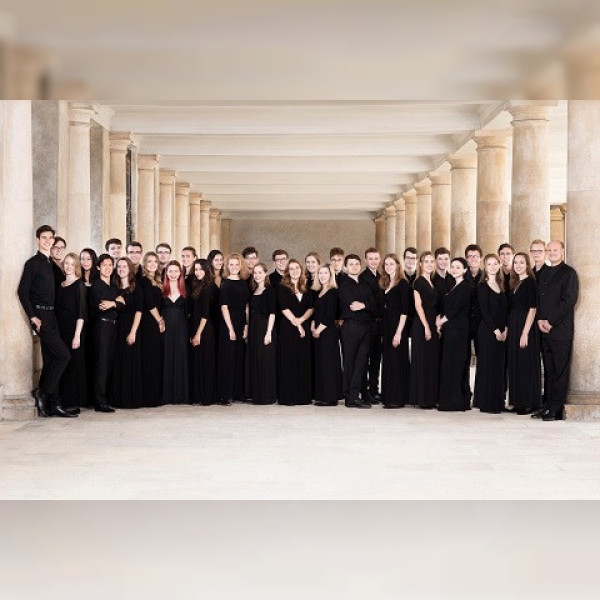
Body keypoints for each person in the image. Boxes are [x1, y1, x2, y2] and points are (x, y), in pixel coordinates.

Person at [18, 225, 72, 418]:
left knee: (51, 360)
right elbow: (22, 292)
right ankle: (43, 392)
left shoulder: (51, 264)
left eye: (51, 238)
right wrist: (33, 316)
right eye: (44, 238)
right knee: (63, 355)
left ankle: (53, 404)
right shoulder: (32, 263)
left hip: (53, 316)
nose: (48, 241)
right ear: (38, 240)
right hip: (41, 316)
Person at [534, 240, 579, 421]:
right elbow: (539, 300)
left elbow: (569, 301)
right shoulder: (544, 273)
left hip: (560, 330)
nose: (552, 252)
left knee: (560, 371)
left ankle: (556, 409)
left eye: (555, 250)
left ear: (562, 251)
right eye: (549, 250)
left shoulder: (569, 273)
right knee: (549, 370)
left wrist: (550, 321)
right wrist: (539, 320)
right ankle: (547, 405)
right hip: (544, 329)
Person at [473, 254, 508, 414]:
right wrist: (496, 331)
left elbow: (506, 310)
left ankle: (498, 401)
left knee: (498, 366)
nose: (492, 266)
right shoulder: (482, 286)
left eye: (495, 263)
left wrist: (505, 329)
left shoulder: (502, 286)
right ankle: (486, 402)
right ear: (484, 267)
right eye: (489, 264)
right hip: (487, 331)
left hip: (502, 332)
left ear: (499, 265)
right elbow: (484, 311)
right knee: (487, 365)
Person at [90, 253, 125, 413]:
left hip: (113, 327)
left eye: (110, 265)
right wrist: (115, 302)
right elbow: (102, 305)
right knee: (102, 364)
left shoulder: (113, 286)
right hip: (102, 327)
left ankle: (105, 398)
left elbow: (122, 305)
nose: (108, 268)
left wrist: (114, 303)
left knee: (109, 362)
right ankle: (99, 401)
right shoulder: (97, 285)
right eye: (104, 265)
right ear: (98, 267)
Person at [507, 253, 541, 415]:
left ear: (527, 265)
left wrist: (525, 333)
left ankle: (529, 402)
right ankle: (518, 401)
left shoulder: (530, 283)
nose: (518, 265)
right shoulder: (514, 283)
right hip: (514, 327)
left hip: (525, 327)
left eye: (522, 262)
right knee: (516, 364)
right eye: (516, 262)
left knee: (526, 364)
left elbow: (533, 309)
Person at [339, 254, 374, 409]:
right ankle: (349, 397)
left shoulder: (365, 284)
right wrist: (365, 305)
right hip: (350, 327)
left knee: (361, 362)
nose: (354, 266)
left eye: (356, 264)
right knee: (350, 362)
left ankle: (356, 395)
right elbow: (352, 305)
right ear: (346, 267)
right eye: (351, 264)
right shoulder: (344, 285)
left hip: (366, 327)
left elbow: (374, 305)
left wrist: (364, 305)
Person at [437, 258, 471, 411]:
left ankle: (455, 402)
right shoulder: (453, 286)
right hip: (451, 331)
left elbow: (456, 308)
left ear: (465, 270)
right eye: (453, 267)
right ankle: (450, 400)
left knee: (455, 364)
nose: (455, 269)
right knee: (450, 364)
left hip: (458, 331)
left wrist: (441, 321)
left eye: (458, 267)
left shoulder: (465, 286)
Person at [278, 259, 314, 405]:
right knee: (289, 361)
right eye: (291, 269)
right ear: (287, 272)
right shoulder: (282, 287)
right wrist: (297, 324)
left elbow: (311, 307)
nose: (294, 271)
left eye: (297, 268)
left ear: (301, 270)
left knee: (302, 361)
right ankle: (289, 397)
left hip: (303, 328)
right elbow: (284, 308)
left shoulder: (306, 287)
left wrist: (302, 320)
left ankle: (302, 397)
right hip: (288, 329)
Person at [54, 253, 87, 415]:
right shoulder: (59, 284)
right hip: (59, 330)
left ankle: (72, 402)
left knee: (73, 365)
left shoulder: (79, 285)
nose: (68, 266)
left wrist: (77, 335)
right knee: (62, 365)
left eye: (72, 264)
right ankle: (61, 400)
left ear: (76, 267)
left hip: (73, 330)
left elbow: (81, 313)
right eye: (66, 263)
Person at [111, 257, 144, 409]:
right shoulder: (113, 286)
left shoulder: (136, 287)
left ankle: (131, 399)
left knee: (130, 363)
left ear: (130, 269)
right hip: (115, 329)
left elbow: (139, 311)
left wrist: (133, 332)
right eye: (119, 266)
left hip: (130, 328)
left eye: (125, 266)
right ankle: (118, 398)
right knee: (118, 363)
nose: (122, 269)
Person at [409, 251, 440, 409]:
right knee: (422, 361)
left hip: (432, 324)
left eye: (431, 261)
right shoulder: (418, 282)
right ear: (420, 264)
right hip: (422, 325)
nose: (429, 264)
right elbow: (418, 306)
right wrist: (427, 327)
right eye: (425, 261)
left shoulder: (432, 281)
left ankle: (430, 397)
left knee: (431, 361)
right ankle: (422, 399)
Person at [380, 254, 411, 409]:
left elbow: (405, 311)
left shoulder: (403, 284)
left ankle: (397, 398)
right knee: (388, 361)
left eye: (391, 263)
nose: (388, 266)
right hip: (387, 327)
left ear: (398, 265)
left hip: (397, 328)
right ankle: (387, 396)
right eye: (386, 264)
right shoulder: (386, 283)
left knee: (396, 362)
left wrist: (398, 333)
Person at [218, 254, 250, 404]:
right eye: (231, 264)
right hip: (228, 324)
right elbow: (224, 307)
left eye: (237, 264)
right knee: (228, 359)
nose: (234, 267)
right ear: (227, 266)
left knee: (239, 358)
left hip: (240, 323)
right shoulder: (225, 283)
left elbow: (246, 306)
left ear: (241, 265)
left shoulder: (244, 283)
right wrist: (230, 328)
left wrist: (246, 326)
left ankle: (238, 392)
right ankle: (226, 394)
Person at [311, 264, 343, 406]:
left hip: (327, 333)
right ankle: (323, 395)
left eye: (325, 273)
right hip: (318, 332)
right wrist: (313, 326)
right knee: (321, 364)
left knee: (329, 364)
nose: (323, 275)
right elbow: (316, 313)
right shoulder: (318, 292)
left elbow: (330, 316)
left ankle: (330, 397)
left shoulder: (332, 292)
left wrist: (318, 330)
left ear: (331, 275)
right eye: (320, 273)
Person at [246, 262, 277, 405]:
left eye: (260, 272)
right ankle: (257, 395)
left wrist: (268, 333)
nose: (257, 275)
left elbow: (272, 313)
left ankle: (267, 396)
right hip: (254, 329)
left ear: (265, 273)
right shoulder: (253, 291)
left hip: (265, 328)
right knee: (256, 359)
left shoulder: (270, 290)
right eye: (255, 273)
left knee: (266, 361)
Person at [188, 259, 217, 406]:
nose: (198, 272)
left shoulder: (209, 287)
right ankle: (198, 395)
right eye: (196, 269)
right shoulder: (196, 284)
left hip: (204, 329)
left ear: (206, 270)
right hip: (195, 326)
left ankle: (206, 396)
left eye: (200, 269)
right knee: (197, 361)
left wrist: (198, 333)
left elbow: (205, 314)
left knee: (205, 362)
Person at [138, 252, 165, 407]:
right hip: (149, 323)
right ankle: (149, 397)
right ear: (145, 264)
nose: (153, 264)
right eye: (149, 261)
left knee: (155, 358)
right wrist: (160, 320)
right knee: (149, 358)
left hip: (156, 322)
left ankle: (156, 395)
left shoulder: (157, 280)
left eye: (155, 261)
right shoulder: (144, 281)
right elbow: (149, 303)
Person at [161, 260, 189, 405]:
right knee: (167, 358)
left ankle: (180, 395)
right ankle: (167, 395)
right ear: (166, 273)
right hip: (166, 329)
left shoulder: (185, 290)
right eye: (170, 271)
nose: (173, 274)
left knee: (180, 358)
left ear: (180, 273)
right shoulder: (161, 289)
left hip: (181, 329)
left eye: (176, 271)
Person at [359, 246, 383, 404]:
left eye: (376, 258)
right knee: (365, 360)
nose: (373, 261)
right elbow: (370, 302)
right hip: (368, 324)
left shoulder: (382, 276)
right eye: (370, 258)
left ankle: (374, 389)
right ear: (366, 260)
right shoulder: (363, 278)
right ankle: (365, 391)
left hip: (379, 326)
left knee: (376, 360)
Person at [80, 247, 99, 407]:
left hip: (95, 324)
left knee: (94, 359)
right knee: (82, 359)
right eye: (82, 258)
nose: (85, 262)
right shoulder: (77, 280)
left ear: (93, 261)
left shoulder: (98, 280)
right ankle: (83, 396)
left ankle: (94, 397)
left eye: (88, 259)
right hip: (81, 324)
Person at [464, 243, 483, 397]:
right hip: (464, 323)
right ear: (466, 259)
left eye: (476, 256)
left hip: (481, 324)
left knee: (482, 358)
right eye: (470, 257)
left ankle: (480, 395)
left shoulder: (487, 276)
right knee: (464, 359)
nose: (473, 259)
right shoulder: (461, 276)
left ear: (480, 258)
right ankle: (464, 392)